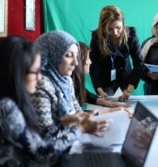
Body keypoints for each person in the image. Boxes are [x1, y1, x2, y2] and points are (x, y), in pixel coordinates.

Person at [0, 36, 88, 166]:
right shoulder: (6, 107)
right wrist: (80, 129)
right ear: (17, 74)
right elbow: (42, 151)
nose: (39, 77)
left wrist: (66, 121)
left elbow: (37, 136)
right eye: (35, 72)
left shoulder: (12, 101)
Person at [32, 30, 111, 164]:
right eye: (69, 56)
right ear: (52, 56)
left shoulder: (65, 79)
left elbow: (77, 113)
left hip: (70, 148)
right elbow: (45, 140)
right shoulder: (41, 86)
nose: (75, 63)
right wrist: (81, 128)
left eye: (76, 56)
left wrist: (103, 118)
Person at [89, 5, 144, 102]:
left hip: (126, 80)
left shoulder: (131, 35)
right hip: (105, 80)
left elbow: (139, 63)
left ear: (123, 23)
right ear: (103, 27)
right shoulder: (97, 37)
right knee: (108, 107)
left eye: (118, 27)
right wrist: (99, 89)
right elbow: (94, 65)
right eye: (109, 29)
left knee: (124, 107)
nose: (114, 32)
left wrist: (129, 89)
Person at [72, 41, 129, 108]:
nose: (90, 62)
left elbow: (84, 93)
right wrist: (110, 111)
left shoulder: (75, 80)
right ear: (79, 60)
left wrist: (102, 101)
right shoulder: (69, 83)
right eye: (88, 58)